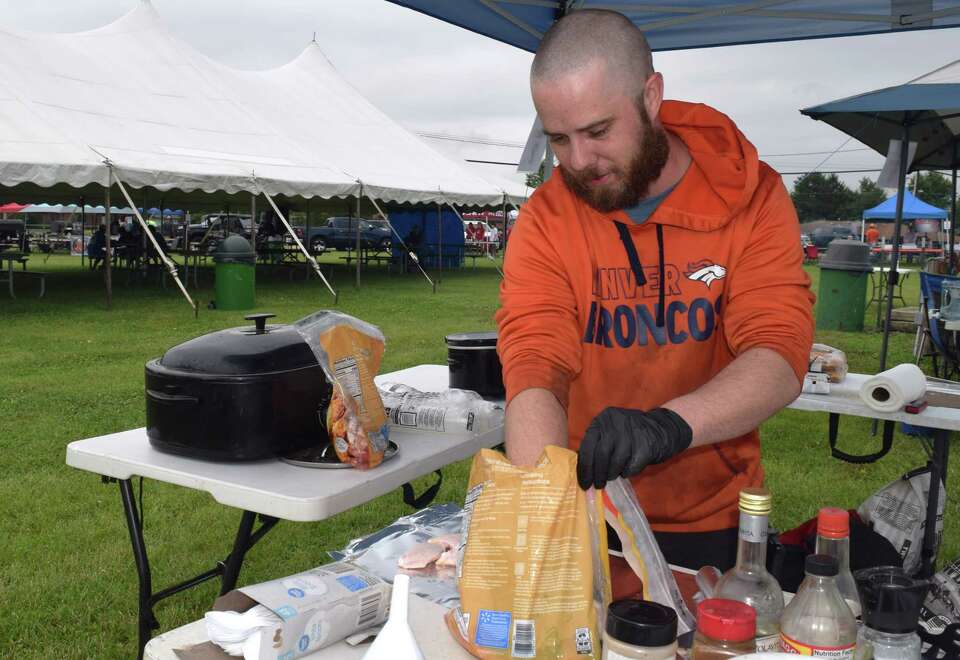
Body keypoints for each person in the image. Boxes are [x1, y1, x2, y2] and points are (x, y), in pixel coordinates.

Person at [495, 10, 814, 590]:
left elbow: (778, 352)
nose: (578, 161)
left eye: (597, 132)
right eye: (559, 138)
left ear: (651, 97)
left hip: (709, 518)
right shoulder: (546, 219)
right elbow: (535, 363)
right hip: (586, 509)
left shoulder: (752, 197)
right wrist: (540, 506)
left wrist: (668, 427)